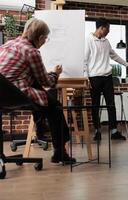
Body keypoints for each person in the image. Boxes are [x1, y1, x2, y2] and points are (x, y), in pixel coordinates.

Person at [0, 18, 75, 164]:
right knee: (55, 107)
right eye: (45, 39)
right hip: (13, 94)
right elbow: (47, 82)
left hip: (2, 92)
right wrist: (55, 73)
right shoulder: (31, 51)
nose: (45, 41)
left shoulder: (7, 44)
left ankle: (41, 125)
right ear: (40, 38)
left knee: (40, 93)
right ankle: (60, 151)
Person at [84, 17, 128, 141]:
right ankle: (97, 131)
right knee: (95, 106)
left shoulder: (106, 42)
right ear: (101, 28)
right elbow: (84, 61)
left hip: (107, 77)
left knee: (111, 105)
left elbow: (114, 55)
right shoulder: (88, 40)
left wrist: (126, 64)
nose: (109, 31)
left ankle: (114, 131)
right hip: (94, 78)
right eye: (108, 28)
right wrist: (86, 78)